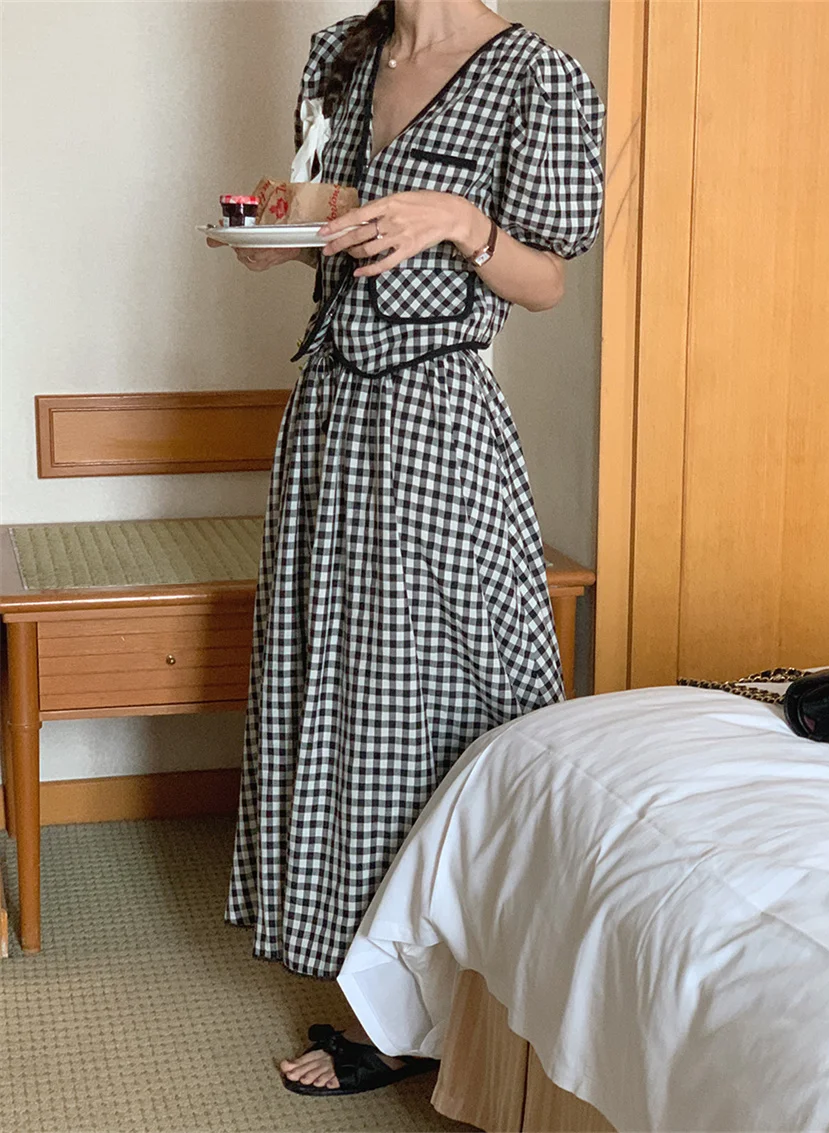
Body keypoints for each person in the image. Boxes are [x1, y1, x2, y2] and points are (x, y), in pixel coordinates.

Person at [217, 0, 604, 1097]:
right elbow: (326, 213)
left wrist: (462, 222)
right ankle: (378, 991)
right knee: (340, 699)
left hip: (437, 421)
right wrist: (286, 226)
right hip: (330, 414)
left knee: (434, 701)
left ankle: (435, 1013)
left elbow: (547, 278)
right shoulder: (339, 53)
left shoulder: (535, 74)